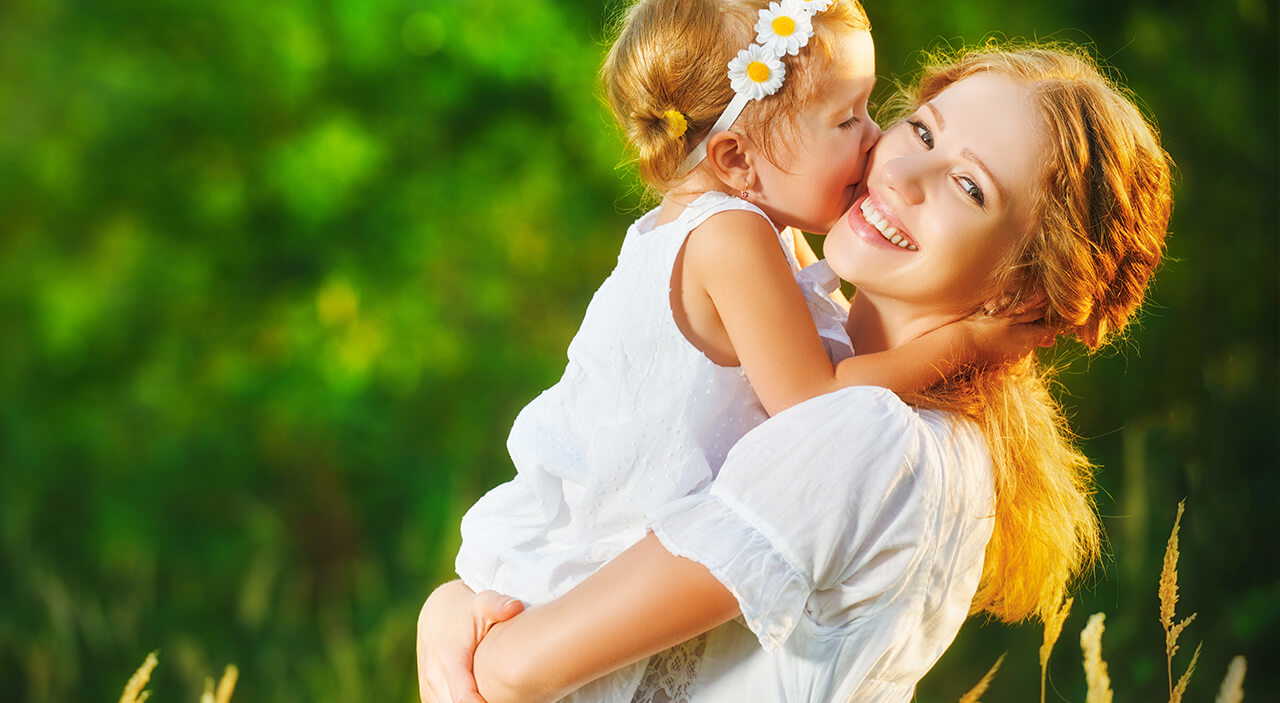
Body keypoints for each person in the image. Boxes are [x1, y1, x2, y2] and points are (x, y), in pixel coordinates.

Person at [418, 43, 1174, 703]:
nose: (906, 173)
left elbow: (513, 673)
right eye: (921, 128)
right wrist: (457, 608)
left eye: (969, 187)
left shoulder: (869, 432)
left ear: (1019, 290)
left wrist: (456, 614)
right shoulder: (898, 409)